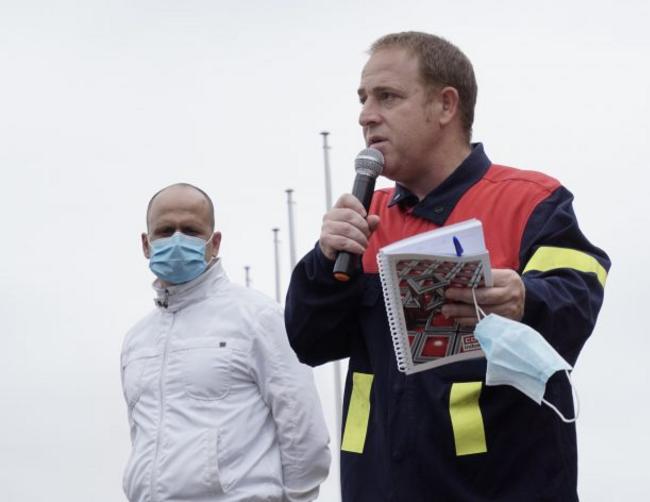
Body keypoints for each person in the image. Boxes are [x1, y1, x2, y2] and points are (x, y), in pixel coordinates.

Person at [285, 32, 610, 501]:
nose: (365, 115)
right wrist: (323, 262)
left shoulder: (531, 201)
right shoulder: (361, 221)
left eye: (387, 97)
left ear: (445, 106)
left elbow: (579, 300)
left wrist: (527, 299)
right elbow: (307, 340)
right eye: (362, 99)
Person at [121, 183, 330, 502]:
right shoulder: (137, 341)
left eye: (190, 230)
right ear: (146, 244)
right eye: (164, 230)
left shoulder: (258, 318)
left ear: (214, 242)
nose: (177, 239)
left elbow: (305, 432)